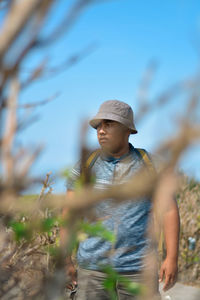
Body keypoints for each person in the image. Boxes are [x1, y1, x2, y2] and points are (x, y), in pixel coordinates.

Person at [61, 100, 180, 300]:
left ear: (127, 130)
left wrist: (172, 258)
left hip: (138, 271)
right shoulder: (85, 166)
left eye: (109, 124)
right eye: (99, 125)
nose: (101, 131)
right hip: (92, 270)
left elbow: (169, 211)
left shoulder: (152, 166)